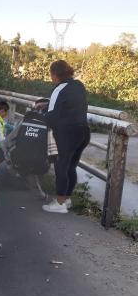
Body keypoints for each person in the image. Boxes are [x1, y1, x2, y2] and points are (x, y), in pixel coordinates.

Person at [42, 60, 90, 214]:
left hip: (67, 134)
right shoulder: (78, 85)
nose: (51, 78)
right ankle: (67, 199)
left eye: (51, 75)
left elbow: (52, 117)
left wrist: (42, 114)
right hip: (83, 132)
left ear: (55, 75)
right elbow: (69, 105)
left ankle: (60, 203)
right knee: (71, 166)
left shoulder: (58, 89)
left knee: (61, 166)